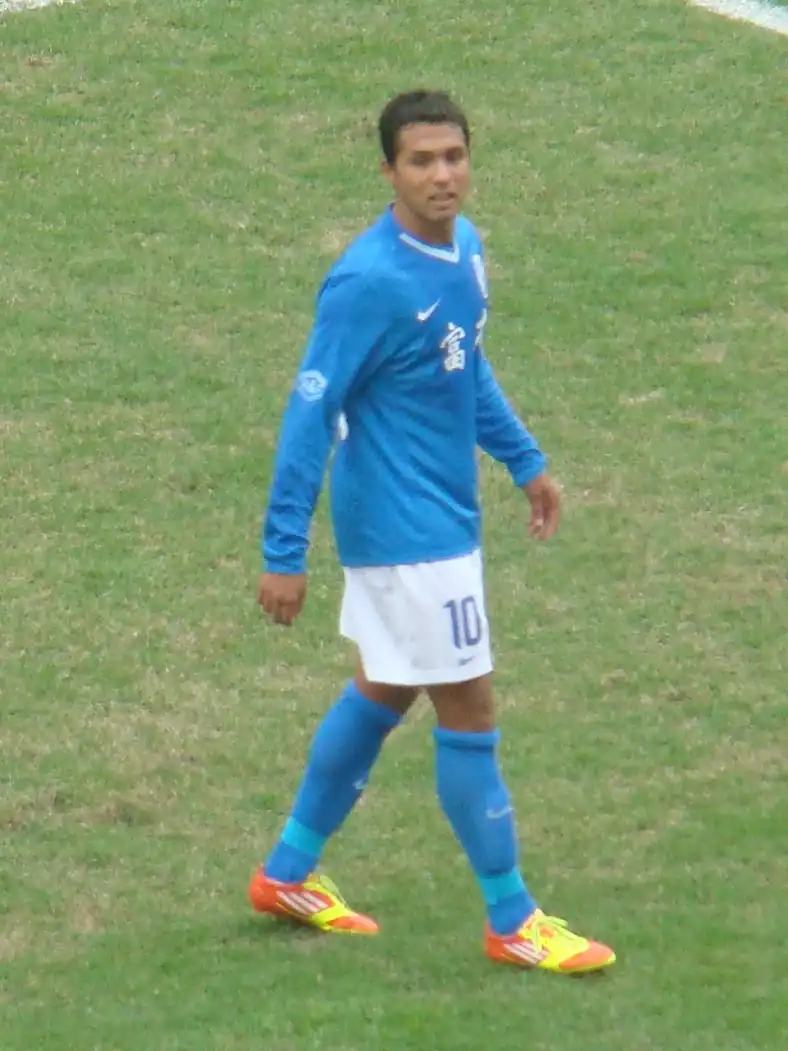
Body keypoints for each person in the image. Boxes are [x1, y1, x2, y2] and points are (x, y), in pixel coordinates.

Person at [250, 89, 615, 974]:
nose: (441, 175)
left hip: (439, 522)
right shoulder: (367, 282)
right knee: (470, 707)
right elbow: (309, 413)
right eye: (421, 161)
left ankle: (286, 871)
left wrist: (523, 458)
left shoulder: (466, 250)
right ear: (388, 171)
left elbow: (462, 361)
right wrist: (283, 551)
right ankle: (512, 919)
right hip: (409, 536)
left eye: (453, 156)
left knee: (385, 688)